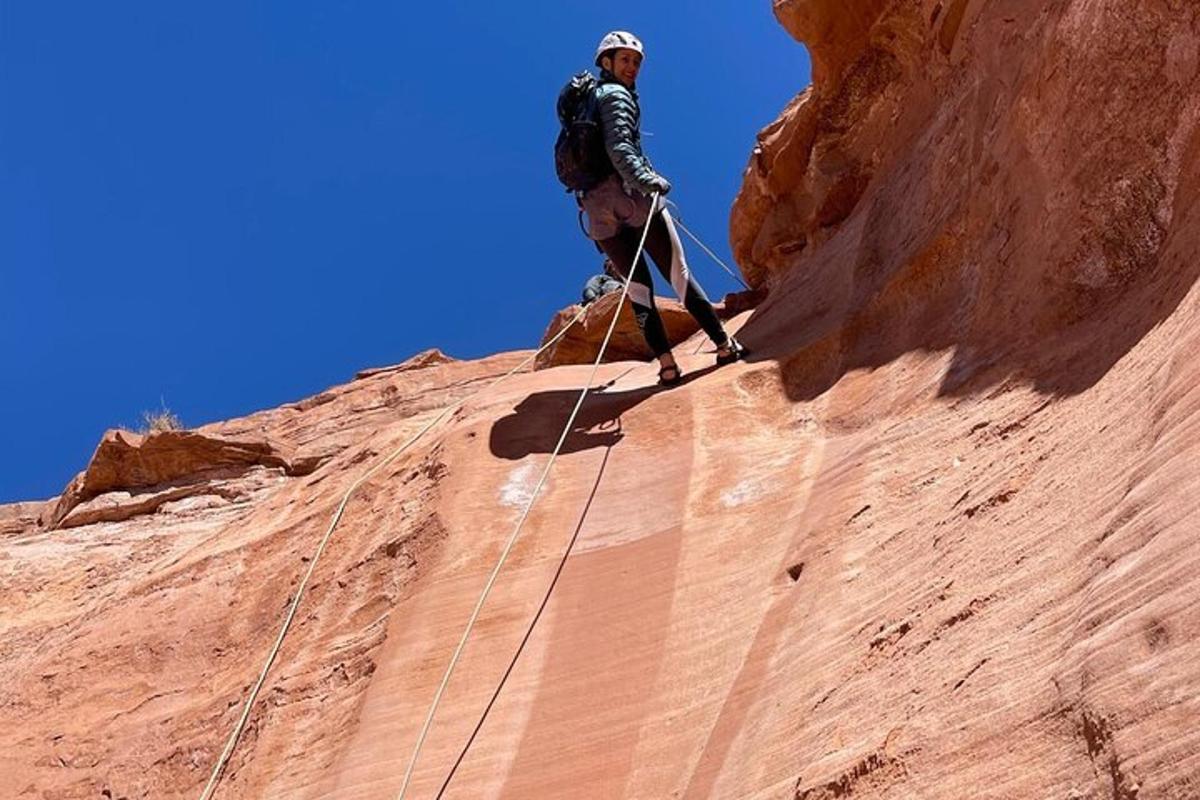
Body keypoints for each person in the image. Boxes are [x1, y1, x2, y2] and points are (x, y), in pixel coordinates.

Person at [579, 30, 746, 387]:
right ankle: (723, 344)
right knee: (679, 276)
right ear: (606, 63)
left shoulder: (586, 103)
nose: (633, 67)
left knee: (638, 291)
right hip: (630, 197)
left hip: (596, 213)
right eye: (625, 59)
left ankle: (667, 366)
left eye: (637, 61)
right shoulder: (615, 96)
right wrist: (648, 180)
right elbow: (620, 147)